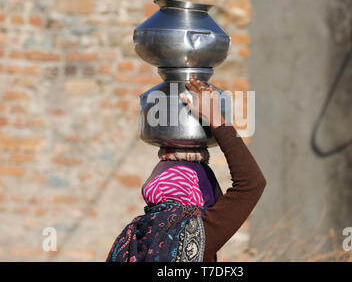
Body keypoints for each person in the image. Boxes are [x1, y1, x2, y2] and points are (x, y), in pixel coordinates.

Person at [106, 79, 266, 262]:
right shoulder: (196, 234)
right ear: (201, 197)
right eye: (214, 193)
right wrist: (216, 119)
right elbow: (252, 184)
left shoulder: (130, 238)